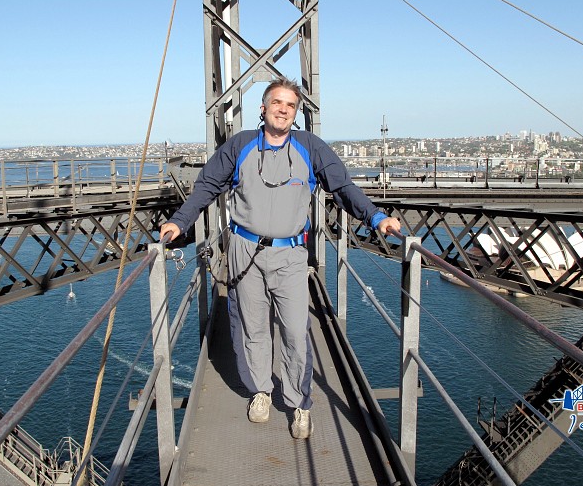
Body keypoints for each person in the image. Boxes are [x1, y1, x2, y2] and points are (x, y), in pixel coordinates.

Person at [159, 77, 401, 439]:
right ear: (263, 108)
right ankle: (261, 391)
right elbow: (207, 185)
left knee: (294, 331)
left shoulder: (310, 147)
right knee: (252, 327)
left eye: (290, 105)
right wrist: (180, 222)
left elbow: (342, 187)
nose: (283, 110)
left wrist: (377, 217)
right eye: (277, 103)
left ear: (295, 112)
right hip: (245, 251)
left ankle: (299, 403)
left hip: (290, 253)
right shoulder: (240, 146)